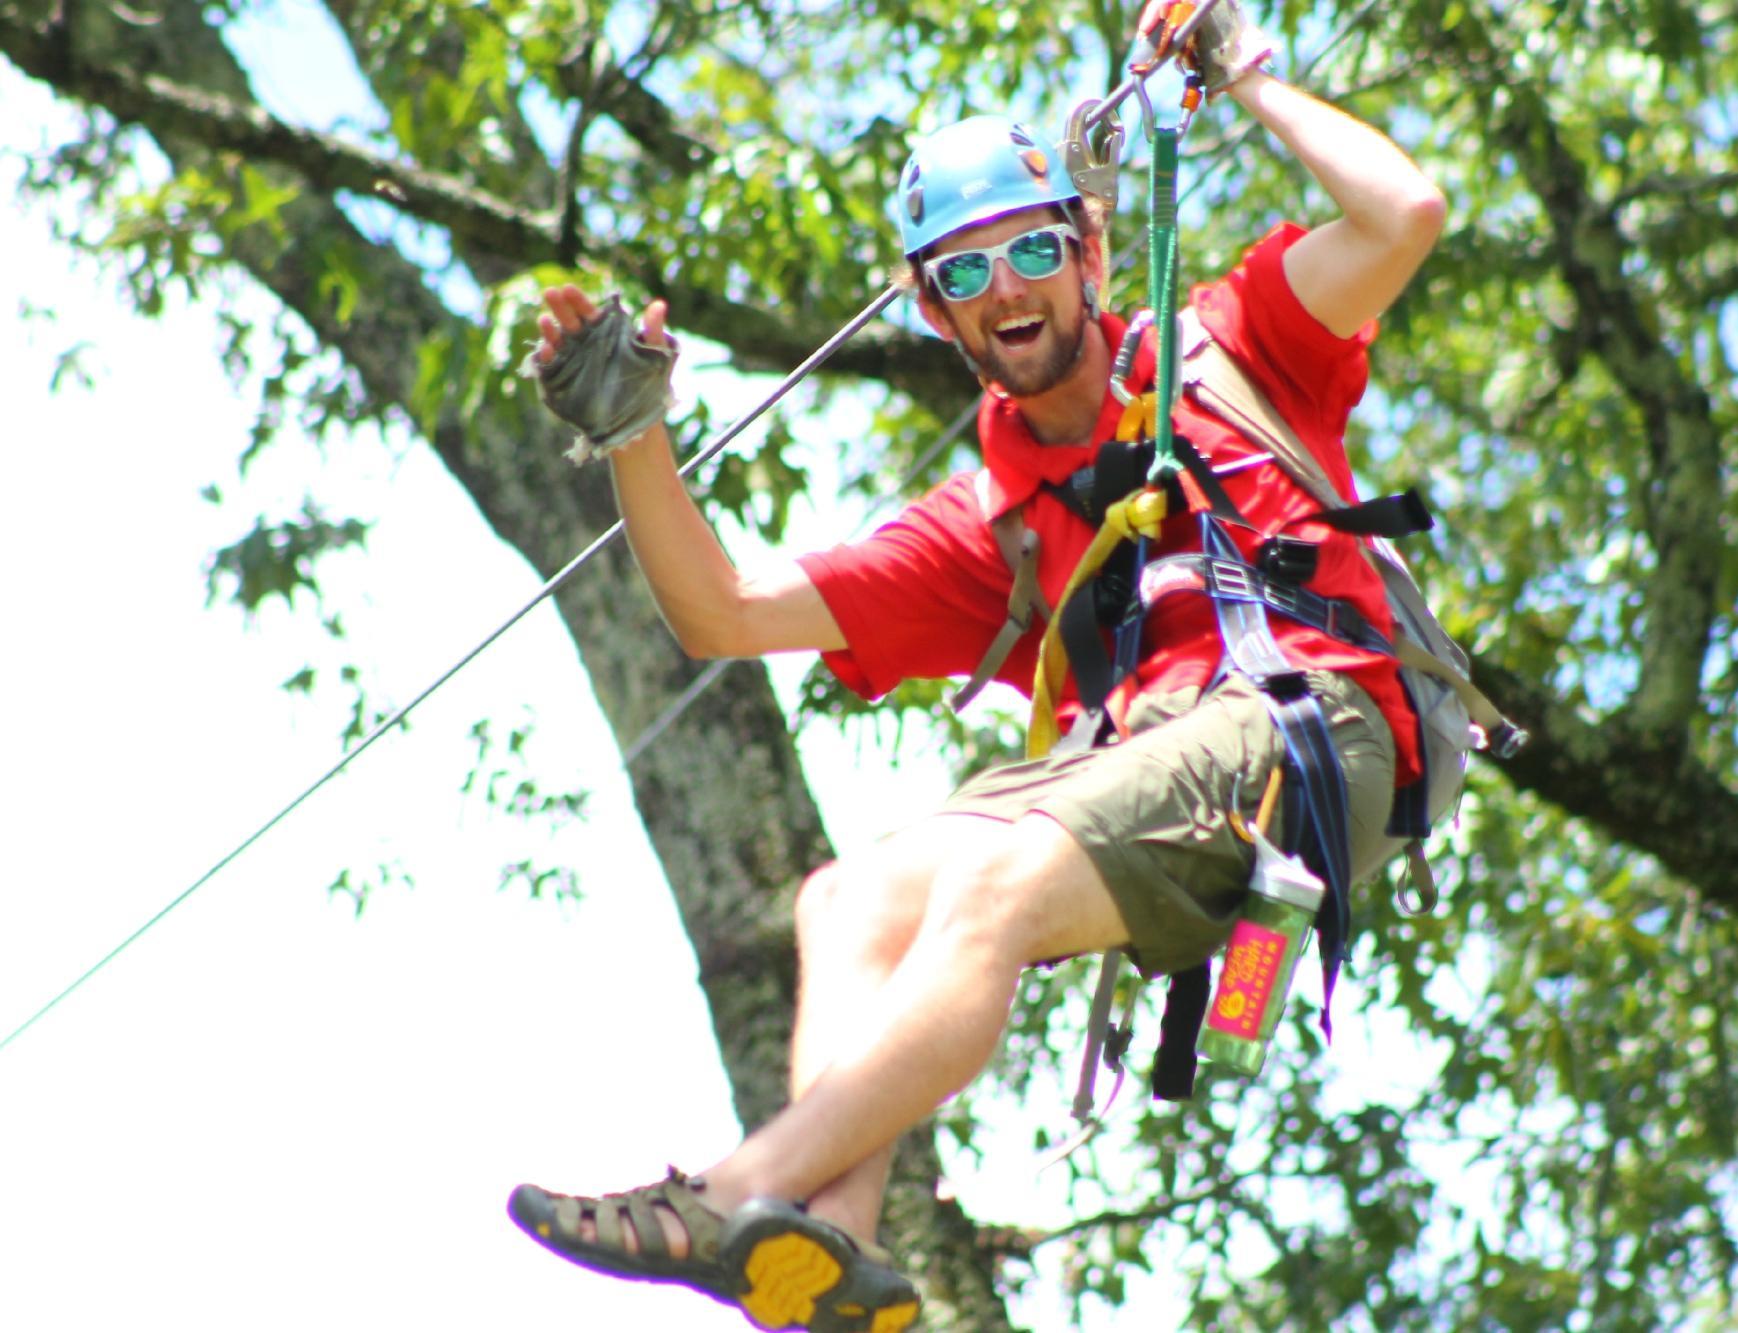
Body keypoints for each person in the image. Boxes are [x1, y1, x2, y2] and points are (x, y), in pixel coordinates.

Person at [507, 4, 1446, 1329]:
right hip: (1133, 766)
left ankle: (732, 1189)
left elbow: (1404, 211)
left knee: (994, 878)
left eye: (1030, 250)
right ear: (932, 307)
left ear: (1091, 247)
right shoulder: (989, 531)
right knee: (850, 902)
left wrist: (1239, 75)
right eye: (964, 272)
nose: (1006, 289)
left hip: (1304, 724)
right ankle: (821, 1250)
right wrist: (634, 435)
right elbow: (719, 612)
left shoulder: (1235, 345)